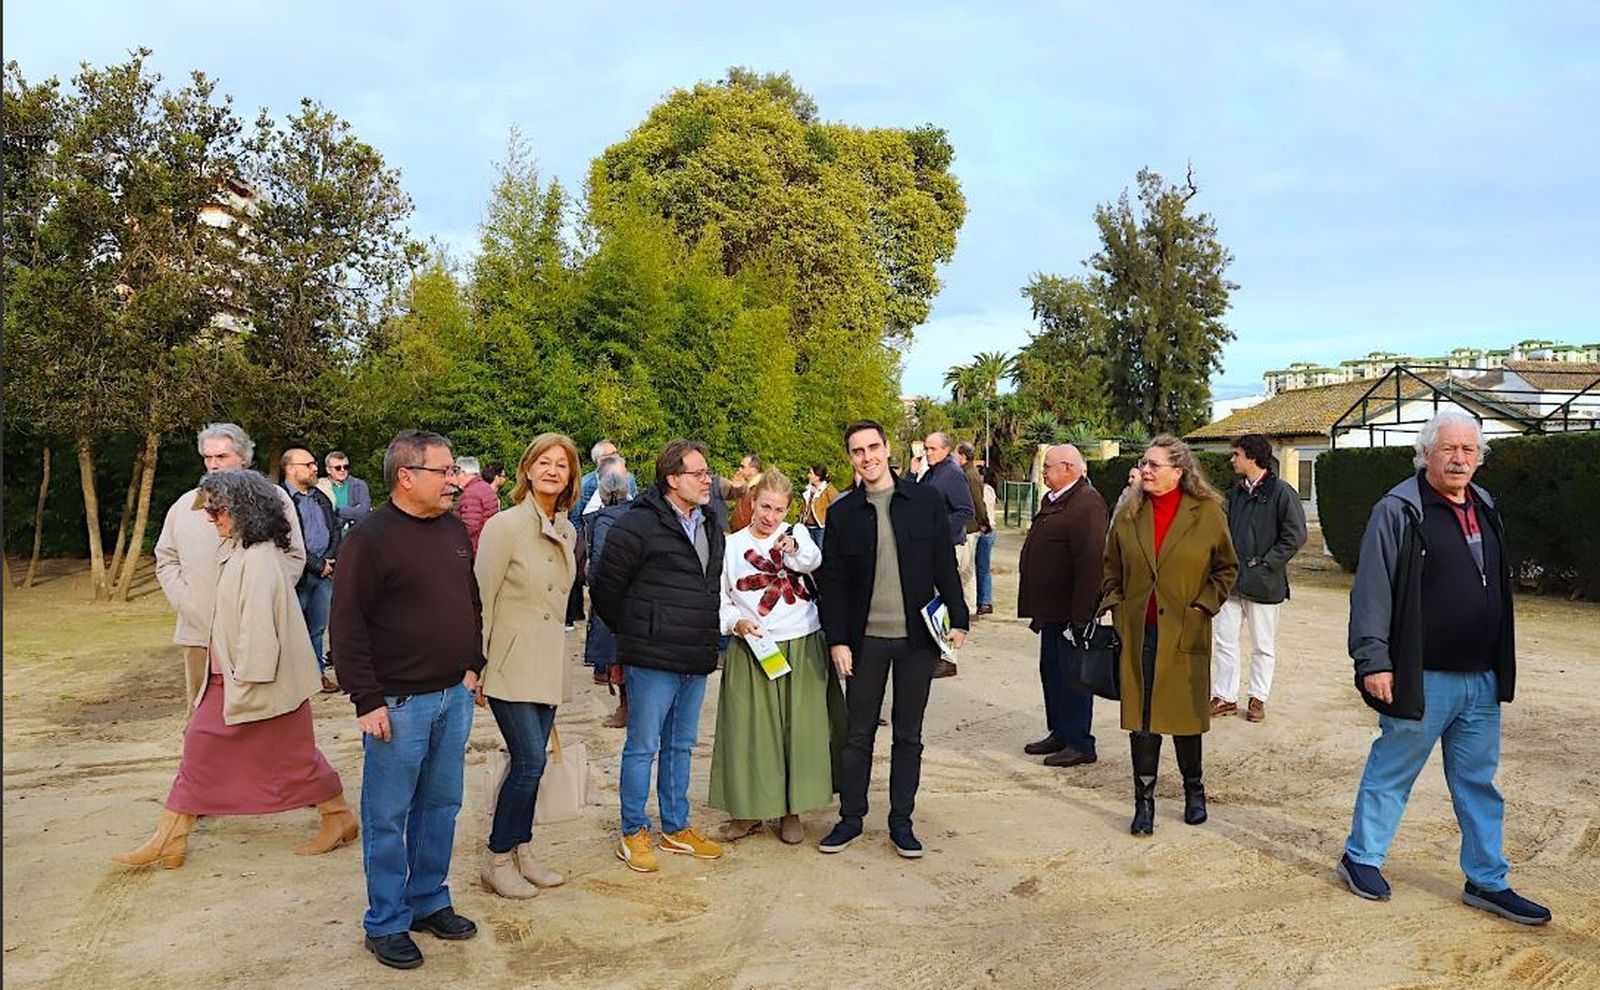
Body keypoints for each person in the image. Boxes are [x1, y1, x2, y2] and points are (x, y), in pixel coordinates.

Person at [1337, 412, 1550, 925]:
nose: (1459, 459)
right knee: (1393, 772)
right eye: (1449, 449)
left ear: (1479, 457)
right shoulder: (1399, 509)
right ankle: (1361, 858)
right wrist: (1373, 659)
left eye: (1469, 450)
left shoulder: (1485, 504)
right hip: (1421, 673)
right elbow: (1373, 589)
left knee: (1479, 782)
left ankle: (1487, 879)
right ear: (1426, 454)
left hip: (1480, 677)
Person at [114, 469, 352, 870]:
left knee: (209, 745)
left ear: (245, 509)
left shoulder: (257, 559)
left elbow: (260, 626)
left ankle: (172, 836)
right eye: (209, 510)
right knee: (286, 755)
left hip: (250, 679)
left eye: (218, 510)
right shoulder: (241, 550)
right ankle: (336, 815)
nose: (211, 518)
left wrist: (247, 680)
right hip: (243, 677)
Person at [331, 430, 484, 970]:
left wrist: (473, 665)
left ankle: (427, 900)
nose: (453, 481)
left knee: (441, 807)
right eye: (443, 472)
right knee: (388, 815)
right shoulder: (369, 539)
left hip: (453, 696)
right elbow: (345, 624)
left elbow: (470, 599)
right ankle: (387, 921)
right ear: (407, 476)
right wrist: (366, 699)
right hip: (396, 705)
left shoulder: (452, 529)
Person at [817, 420, 968, 858]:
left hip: (916, 642)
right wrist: (838, 640)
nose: (867, 457)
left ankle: (901, 822)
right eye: (857, 451)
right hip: (864, 643)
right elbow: (835, 583)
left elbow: (944, 565)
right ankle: (850, 819)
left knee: (909, 735)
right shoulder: (842, 512)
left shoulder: (924, 501)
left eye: (873, 447)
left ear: (887, 449)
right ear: (850, 458)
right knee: (857, 735)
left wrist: (959, 618)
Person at [589, 439, 727, 873]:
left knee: (681, 746)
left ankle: (675, 826)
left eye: (708, 472)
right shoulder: (637, 525)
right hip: (651, 657)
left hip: (695, 653)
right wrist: (639, 630)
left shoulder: (710, 524)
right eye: (699, 473)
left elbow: (711, 587)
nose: (708, 480)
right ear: (673, 479)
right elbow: (606, 589)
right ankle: (633, 830)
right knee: (643, 746)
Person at [1102, 436, 1237, 837]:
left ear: (1179, 471)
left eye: (1154, 465)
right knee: (1142, 720)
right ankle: (1143, 803)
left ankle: (1194, 791)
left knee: (1185, 717)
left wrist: (1202, 607)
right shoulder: (1128, 512)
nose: (1145, 470)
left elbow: (1226, 568)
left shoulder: (1208, 512)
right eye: (1144, 463)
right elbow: (1110, 566)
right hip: (1138, 630)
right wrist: (1117, 604)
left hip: (1184, 630)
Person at [709, 469, 844, 846]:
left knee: (796, 731)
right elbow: (720, 599)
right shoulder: (731, 545)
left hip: (800, 643)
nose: (770, 516)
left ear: (788, 509)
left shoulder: (796, 536)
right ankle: (747, 812)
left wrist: (794, 550)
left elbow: (812, 561)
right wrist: (735, 623)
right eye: (765, 506)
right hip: (752, 647)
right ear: (752, 503)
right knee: (749, 733)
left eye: (779, 509)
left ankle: (791, 811)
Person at [474, 433, 580, 899]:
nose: (553, 470)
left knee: (531, 765)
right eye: (544, 462)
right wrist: (476, 664)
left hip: (548, 663)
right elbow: (481, 597)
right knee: (529, 761)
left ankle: (523, 850)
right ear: (528, 469)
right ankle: (497, 857)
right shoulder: (504, 526)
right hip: (510, 663)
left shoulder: (569, 529)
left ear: (572, 476)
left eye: (562, 464)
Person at [155, 423, 305, 710]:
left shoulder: (274, 499)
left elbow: (293, 555)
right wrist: (188, 604)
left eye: (221, 457)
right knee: (201, 717)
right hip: (200, 634)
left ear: (244, 457)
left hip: (259, 633)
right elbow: (166, 559)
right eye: (208, 458)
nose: (213, 465)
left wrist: (259, 601)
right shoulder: (185, 506)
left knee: (264, 715)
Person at [1017, 445, 1108, 768]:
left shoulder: (1087, 504)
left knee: (1073, 677)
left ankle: (1080, 742)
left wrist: (1083, 615)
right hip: (1051, 610)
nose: (1043, 472)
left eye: (1048, 467)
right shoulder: (1056, 500)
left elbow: (1091, 563)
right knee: (1052, 673)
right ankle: (1060, 731)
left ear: (1068, 467)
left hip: (1072, 613)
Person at [1210, 434, 1307, 722]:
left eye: (1236, 454)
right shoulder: (1236, 494)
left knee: (1263, 646)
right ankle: (1225, 697)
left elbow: (1295, 535)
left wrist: (1267, 563)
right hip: (1232, 583)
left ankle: (1257, 698)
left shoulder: (1282, 493)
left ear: (1251, 457)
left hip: (1265, 583)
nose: (1232, 459)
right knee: (1225, 641)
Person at [282, 448, 342, 692]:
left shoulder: (320, 497)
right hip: (297, 575)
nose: (315, 468)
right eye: (308, 464)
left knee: (317, 628)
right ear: (291, 468)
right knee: (291, 629)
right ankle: (293, 679)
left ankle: (317, 676)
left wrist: (329, 560)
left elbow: (335, 529)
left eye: (314, 463)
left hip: (324, 574)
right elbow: (285, 539)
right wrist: (317, 565)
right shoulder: (280, 499)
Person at [917, 432, 975, 677]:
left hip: (948, 545)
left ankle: (949, 655)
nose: (927, 453)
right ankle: (936, 650)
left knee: (948, 600)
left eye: (932, 449)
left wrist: (938, 528)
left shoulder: (951, 473)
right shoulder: (932, 471)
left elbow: (966, 511)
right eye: (926, 449)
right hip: (930, 547)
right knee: (932, 601)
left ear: (946, 450)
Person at [568, 440, 638, 626]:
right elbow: (576, 515)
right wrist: (582, 544)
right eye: (610, 454)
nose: (616, 456)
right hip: (595, 540)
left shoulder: (629, 479)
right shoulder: (587, 483)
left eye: (616, 452)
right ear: (598, 460)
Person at [585, 470, 634, 728]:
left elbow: (599, 560)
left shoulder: (602, 520)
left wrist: (595, 591)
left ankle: (625, 709)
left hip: (616, 595)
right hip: (640, 593)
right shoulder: (640, 513)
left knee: (618, 654)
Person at [317, 450, 373, 531]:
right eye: (338, 468)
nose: (342, 470)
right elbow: (322, 516)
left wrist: (336, 510)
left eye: (346, 467)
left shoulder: (359, 485)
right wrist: (352, 512)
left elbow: (363, 511)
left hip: (355, 536)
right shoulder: (321, 487)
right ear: (328, 470)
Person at [454, 456, 500, 553]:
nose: (455, 479)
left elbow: (469, 527)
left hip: (474, 548)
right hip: (488, 545)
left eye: (456, 473)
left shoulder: (470, 493)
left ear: (462, 473)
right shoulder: (486, 488)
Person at [800, 463, 837, 548]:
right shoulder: (808, 489)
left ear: (817, 477)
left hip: (821, 529)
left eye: (810, 473)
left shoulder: (828, 490)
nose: (808, 475)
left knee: (822, 551)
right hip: (807, 527)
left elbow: (838, 506)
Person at [728, 454, 763, 532]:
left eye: (743, 467)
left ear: (753, 470)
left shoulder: (760, 489)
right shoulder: (747, 486)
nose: (739, 469)